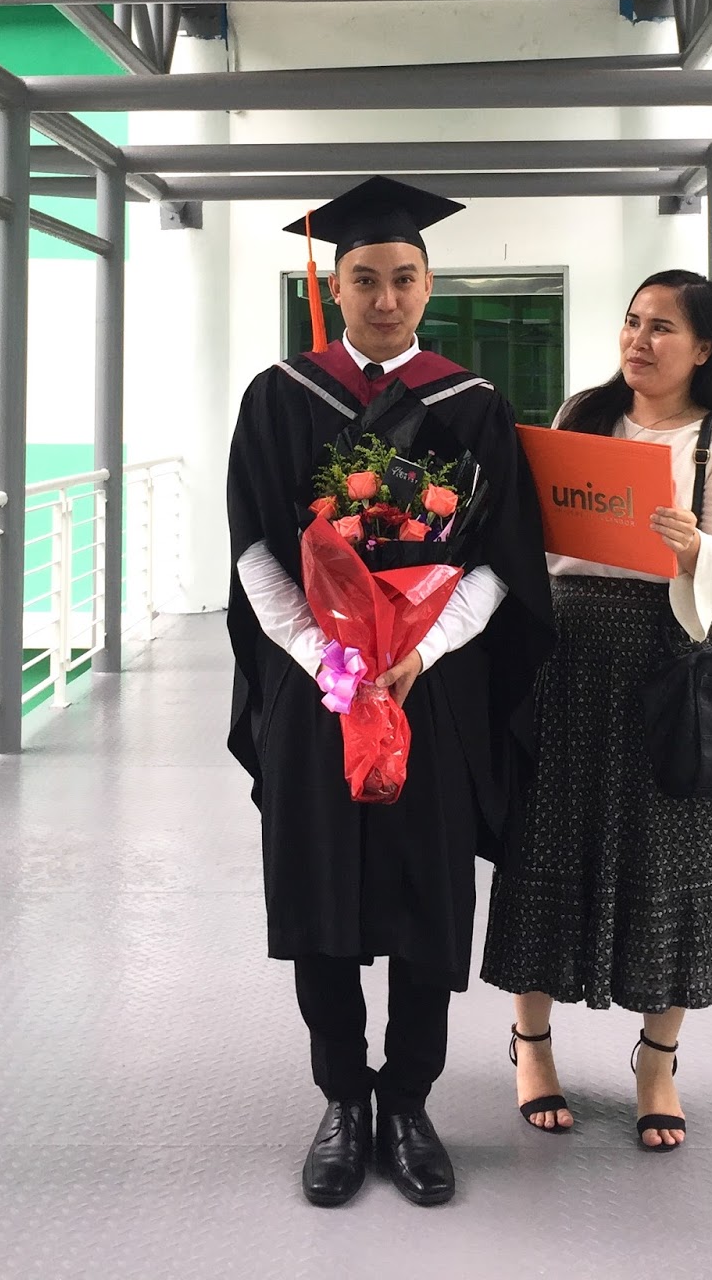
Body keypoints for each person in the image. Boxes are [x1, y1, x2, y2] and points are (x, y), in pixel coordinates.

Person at [226, 176, 553, 1208]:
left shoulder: (472, 405)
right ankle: (342, 1101)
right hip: (318, 692)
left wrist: (424, 648)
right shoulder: (280, 395)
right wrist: (323, 651)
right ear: (334, 286)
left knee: (426, 893)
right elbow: (253, 548)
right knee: (317, 885)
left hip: (430, 691)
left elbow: (500, 559)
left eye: (403, 278)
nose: (384, 297)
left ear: (428, 285)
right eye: (364, 278)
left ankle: (407, 1102)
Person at [480, 268, 712, 1150]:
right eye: (632, 321)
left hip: (670, 659)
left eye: (662, 328)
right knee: (545, 842)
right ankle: (531, 1045)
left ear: (704, 348)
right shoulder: (584, 414)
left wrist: (696, 550)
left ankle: (658, 1061)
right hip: (569, 654)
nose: (639, 341)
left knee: (673, 855)